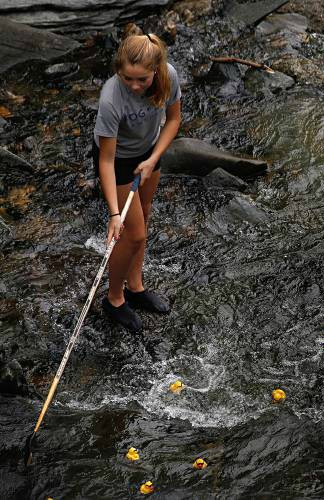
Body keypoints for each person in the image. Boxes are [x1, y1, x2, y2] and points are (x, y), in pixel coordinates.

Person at [92, 26, 181, 332]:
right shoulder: (110, 99)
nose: (134, 86)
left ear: (156, 70)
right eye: (127, 78)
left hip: (149, 153)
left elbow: (174, 120)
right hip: (117, 160)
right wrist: (113, 214)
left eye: (141, 79)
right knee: (134, 234)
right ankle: (114, 299)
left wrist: (153, 158)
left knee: (144, 214)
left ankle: (135, 286)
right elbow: (105, 160)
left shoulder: (168, 76)